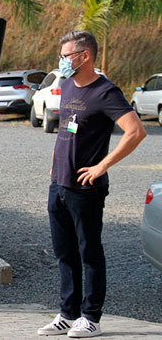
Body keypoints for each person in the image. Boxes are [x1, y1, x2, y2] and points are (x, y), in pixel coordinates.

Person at [38, 31, 146, 338]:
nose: (62, 61)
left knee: (89, 252)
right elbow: (66, 130)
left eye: (67, 56)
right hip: (58, 184)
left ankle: (91, 317)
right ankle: (66, 314)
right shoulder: (68, 83)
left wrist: (102, 166)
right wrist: (54, 162)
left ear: (85, 56)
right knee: (64, 252)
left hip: (85, 190)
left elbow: (135, 131)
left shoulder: (106, 92)